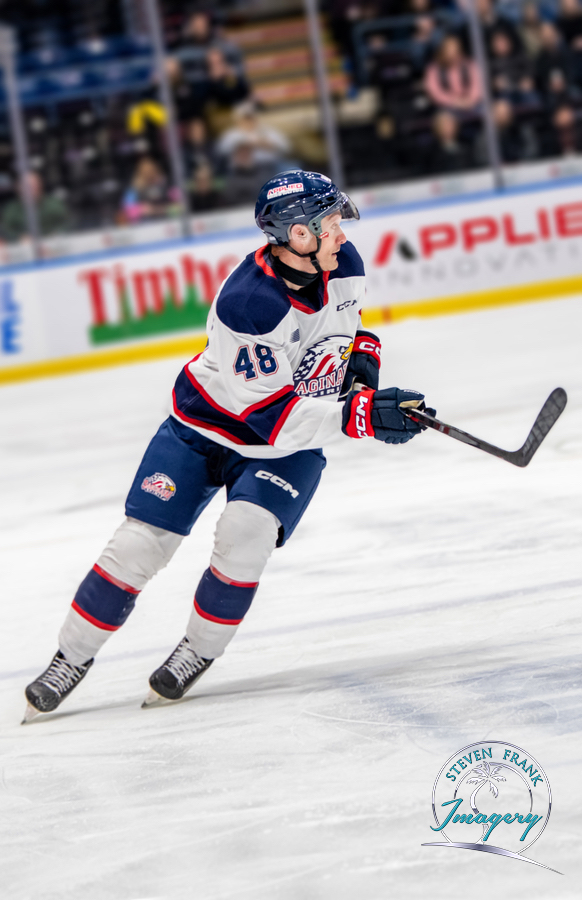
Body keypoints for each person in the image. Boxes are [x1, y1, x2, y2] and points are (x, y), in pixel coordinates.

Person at [22, 170, 432, 722]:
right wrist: (359, 416)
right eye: (331, 224)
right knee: (139, 546)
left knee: (246, 536)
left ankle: (198, 650)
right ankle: (70, 658)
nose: (343, 234)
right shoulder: (250, 303)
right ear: (298, 235)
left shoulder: (344, 262)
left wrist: (362, 367)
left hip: (287, 442)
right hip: (206, 432)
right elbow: (271, 419)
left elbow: (346, 329)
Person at [1, 171, 71, 242]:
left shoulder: (54, 204)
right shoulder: (11, 210)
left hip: (54, 242)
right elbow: (5, 230)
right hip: (24, 245)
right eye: (28, 187)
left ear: (40, 186)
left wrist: (58, 232)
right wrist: (19, 237)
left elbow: (68, 222)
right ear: (19, 188)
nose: (32, 190)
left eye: (35, 186)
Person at [424, 35, 483, 115]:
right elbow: (435, 92)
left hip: (472, 103)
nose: (452, 53)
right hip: (447, 106)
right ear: (442, 51)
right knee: (444, 119)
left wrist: (471, 100)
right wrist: (454, 101)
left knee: (493, 111)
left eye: (455, 49)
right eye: (449, 50)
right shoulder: (433, 69)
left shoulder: (469, 64)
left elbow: (478, 85)